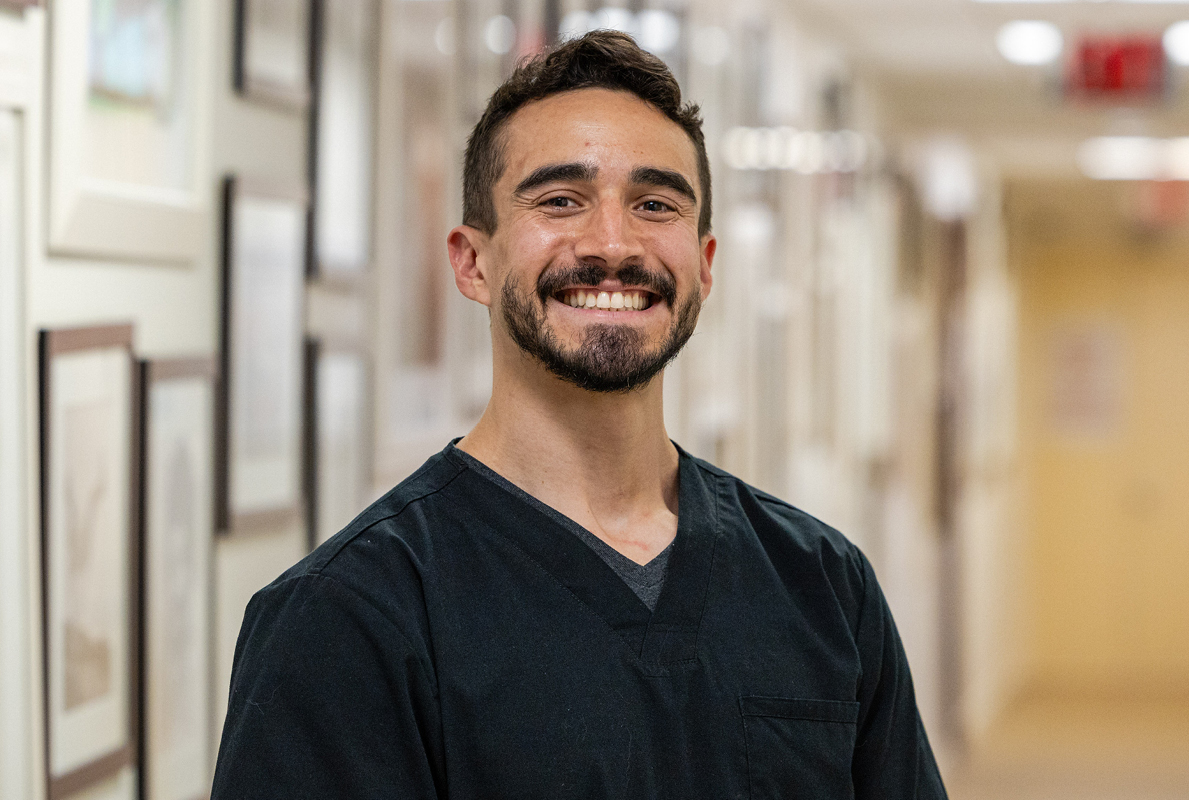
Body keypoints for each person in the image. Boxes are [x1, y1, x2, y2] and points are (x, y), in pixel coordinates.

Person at [211, 31, 948, 800]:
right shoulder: (349, 617)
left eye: (655, 204)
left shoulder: (823, 586)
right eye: (560, 200)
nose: (612, 244)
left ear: (705, 263)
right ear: (472, 261)